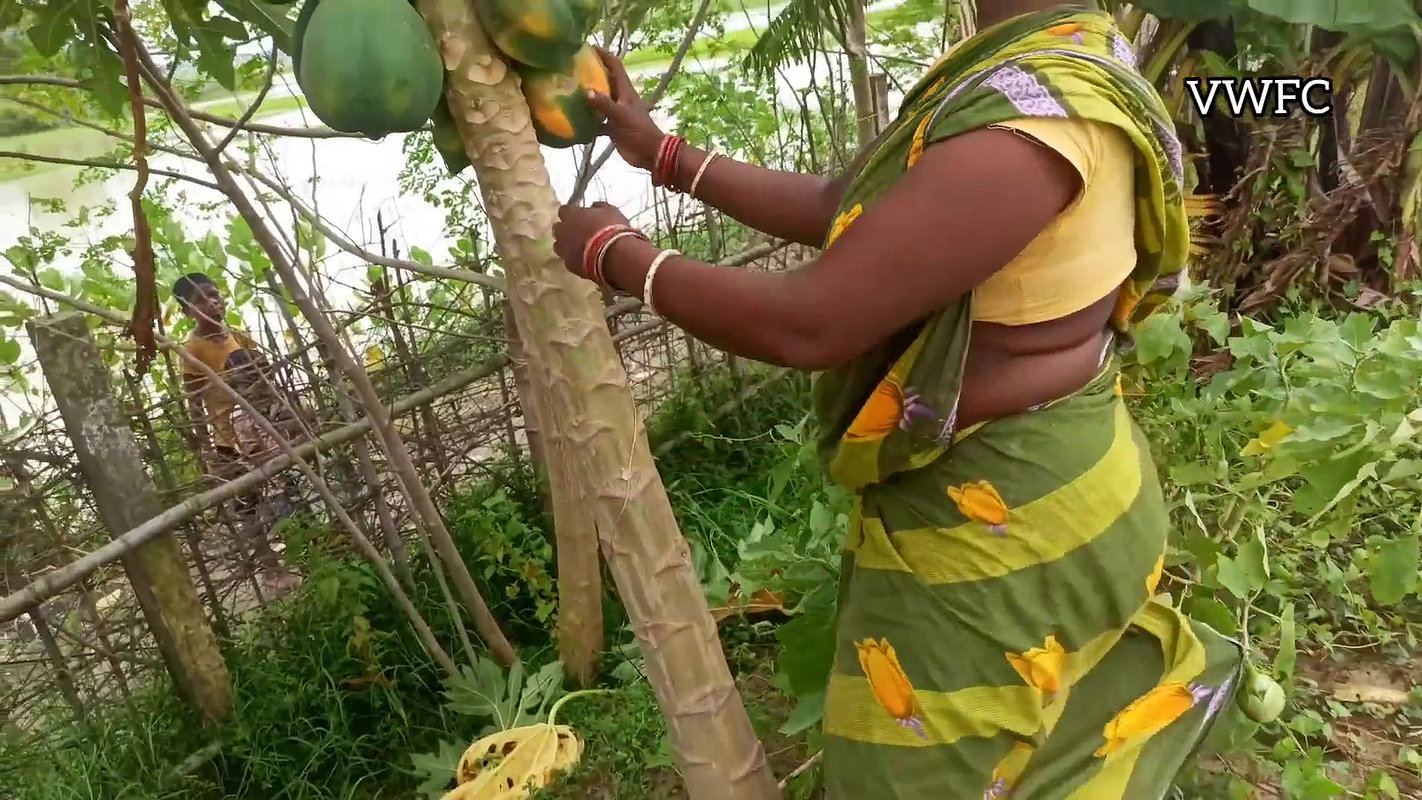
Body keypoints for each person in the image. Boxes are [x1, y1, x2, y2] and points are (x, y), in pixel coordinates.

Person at [551, 4, 1246, 798]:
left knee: (904, 779)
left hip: (1007, 529)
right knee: (1037, 741)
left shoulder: (1029, 132)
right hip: (1057, 482)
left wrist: (615, 256)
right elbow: (842, 209)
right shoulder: (1046, 65)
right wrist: (664, 155)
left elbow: (813, 323)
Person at [173, 273, 299, 593]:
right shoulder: (192, 351)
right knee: (248, 505)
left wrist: (285, 413)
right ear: (187, 310)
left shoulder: (239, 337)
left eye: (215, 295)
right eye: (201, 299)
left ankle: (304, 547)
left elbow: (264, 378)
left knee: (284, 486)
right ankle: (272, 570)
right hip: (229, 438)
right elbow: (194, 405)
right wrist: (207, 452)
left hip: (263, 427)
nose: (212, 302)